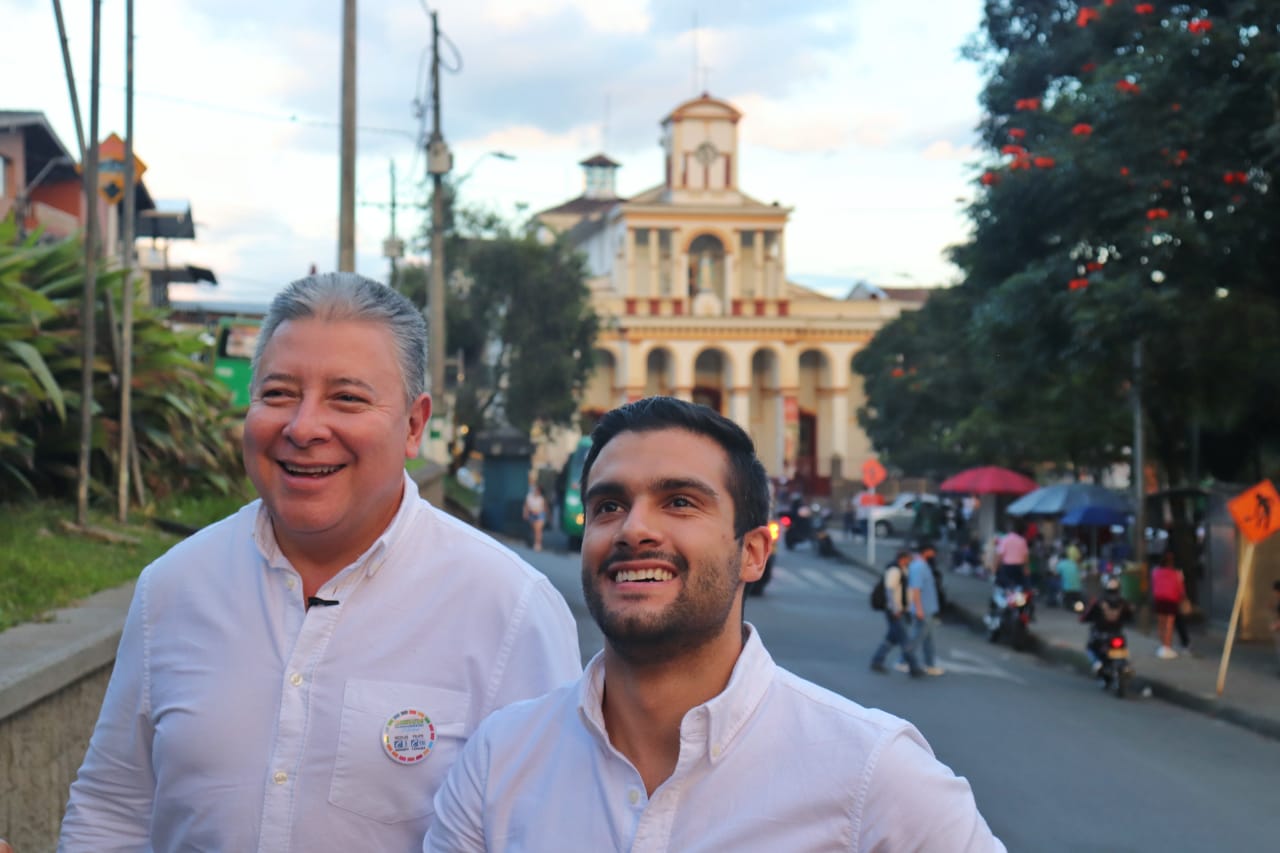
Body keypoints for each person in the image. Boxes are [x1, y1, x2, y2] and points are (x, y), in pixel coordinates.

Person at [59, 273, 583, 852]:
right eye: (279, 393)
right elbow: (113, 810)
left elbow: (551, 831)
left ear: (413, 425)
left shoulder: (509, 610)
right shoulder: (174, 588)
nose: (303, 427)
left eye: (347, 398)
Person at [425, 397, 1005, 852]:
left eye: (679, 502)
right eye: (608, 506)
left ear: (753, 553)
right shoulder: (500, 761)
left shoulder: (872, 775)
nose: (632, 529)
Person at [872, 550, 926, 677]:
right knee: (905, 640)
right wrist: (895, 609)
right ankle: (914, 667)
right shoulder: (894, 571)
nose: (910, 562)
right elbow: (889, 591)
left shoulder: (903, 570)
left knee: (891, 638)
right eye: (909, 559)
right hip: (895, 611)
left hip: (902, 610)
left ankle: (877, 660)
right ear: (903, 559)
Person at [902, 545, 945, 676]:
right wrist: (919, 609)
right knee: (917, 638)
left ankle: (930, 664)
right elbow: (916, 589)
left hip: (928, 608)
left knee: (928, 638)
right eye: (932, 552)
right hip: (923, 609)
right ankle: (904, 661)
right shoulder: (919, 566)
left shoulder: (922, 565)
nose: (934, 555)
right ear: (926, 552)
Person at [1080, 577, 1134, 675]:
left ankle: (1097, 663)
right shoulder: (1124, 602)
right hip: (1117, 633)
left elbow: (1086, 616)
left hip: (1101, 633)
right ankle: (1125, 665)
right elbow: (1130, 617)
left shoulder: (1098, 602)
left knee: (1090, 648)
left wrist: (1083, 618)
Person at [1150, 550, 1187, 659]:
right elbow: (1181, 589)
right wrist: (1183, 598)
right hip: (1171, 600)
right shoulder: (1176, 573)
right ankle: (1167, 647)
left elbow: (1153, 585)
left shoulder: (1155, 571)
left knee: (1161, 623)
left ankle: (1162, 646)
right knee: (1169, 624)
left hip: (1159, 599)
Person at [995, 522, 1030, 589]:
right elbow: (1026, 557)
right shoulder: (1022, 540)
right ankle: (1018, 598)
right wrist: (1026, 568)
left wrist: (996, 567)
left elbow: (1000, 555)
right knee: (1019, 586)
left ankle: (1007, 596)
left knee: (1005, 585)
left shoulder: (1005, 539)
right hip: (1018, 567)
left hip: (1007, 567)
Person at [523, 481, 549, 551]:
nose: (536, 491)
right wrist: (525, 513)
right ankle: (534, 542)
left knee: (538, 530)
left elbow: (544, 509)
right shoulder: (529, 496)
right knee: (534, 530)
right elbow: (526, 506)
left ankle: (538, 544)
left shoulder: (542, 499)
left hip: (539, 515)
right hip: (532, 514)